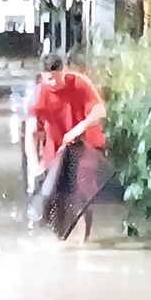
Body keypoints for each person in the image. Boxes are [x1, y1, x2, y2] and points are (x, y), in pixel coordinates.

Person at [25, 55, 108, 240]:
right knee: (55, 196)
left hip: (84, 145)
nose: (52, 83)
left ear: (64, 71)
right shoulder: (39, 93)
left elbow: (100, 111)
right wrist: (33, 165)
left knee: (82, 193)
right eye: (48, 79)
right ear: (42, 76)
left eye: (56, 77)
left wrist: (78, 128)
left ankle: (84, 242)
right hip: (56, 148)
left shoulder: (80, 83)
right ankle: (60, 239)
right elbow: (31, 131)